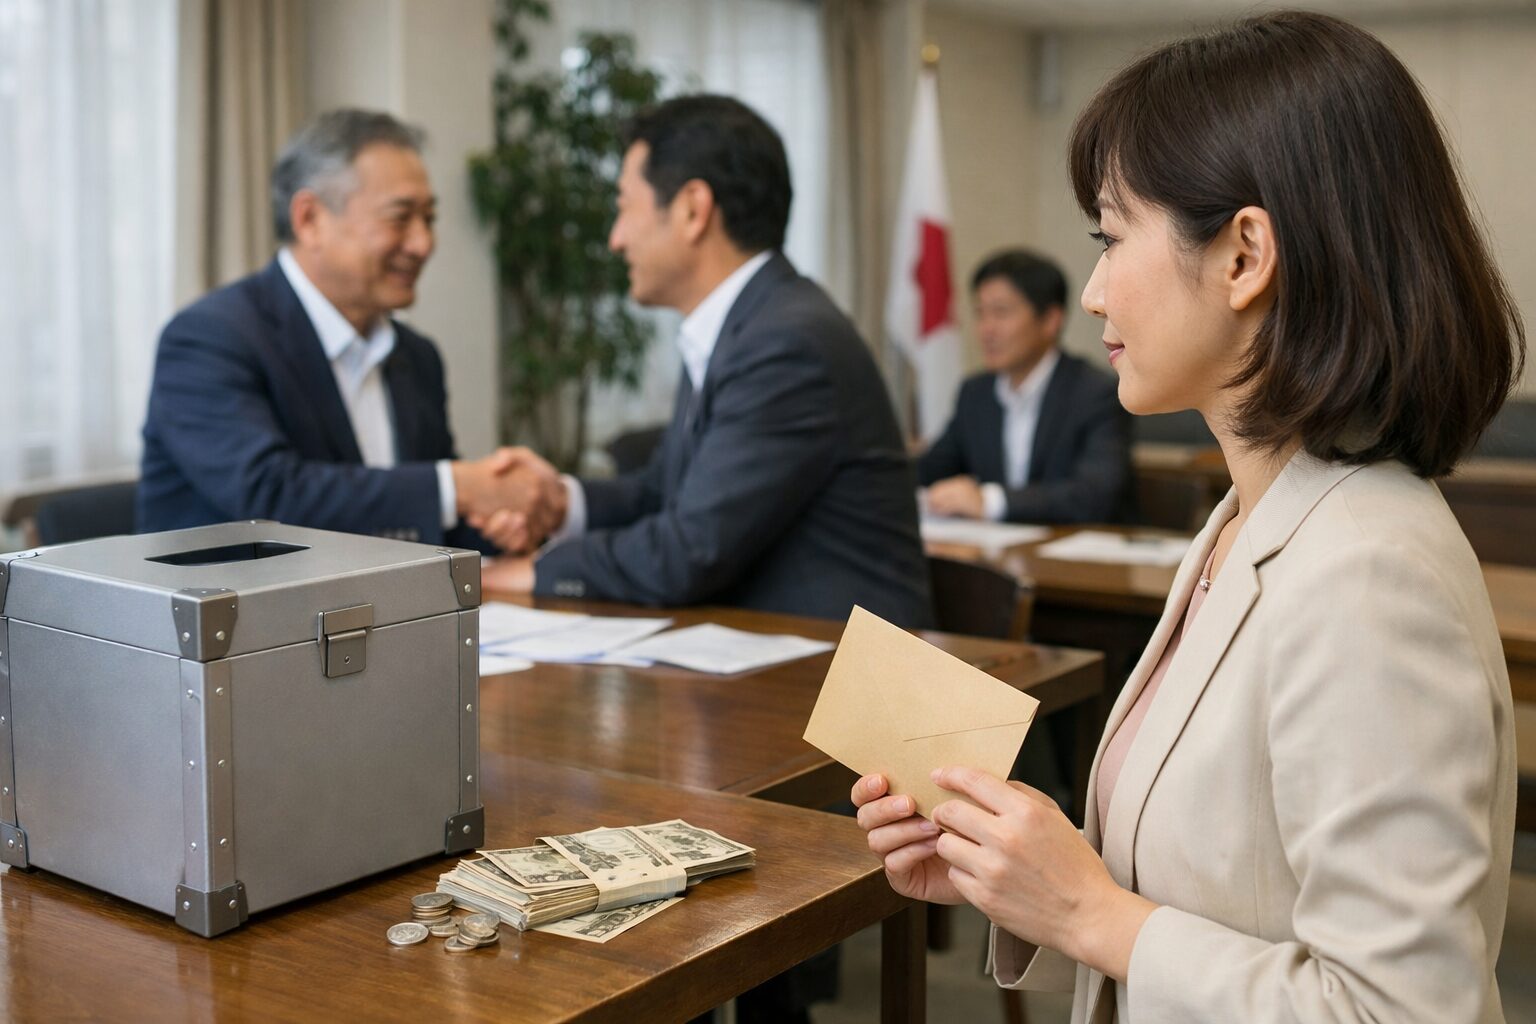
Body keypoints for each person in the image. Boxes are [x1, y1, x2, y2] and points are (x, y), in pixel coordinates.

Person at [854, 11, 1522, 1023]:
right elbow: (1221, 884)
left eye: (1112, 236)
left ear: (1245, 255)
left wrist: (1089, 914)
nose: (1092, 292)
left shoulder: (1367, 574)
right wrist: (1019, 870)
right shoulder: (1246, 521)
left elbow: (1400, 1009)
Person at [479, 95, 933, 630]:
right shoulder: (746, 323)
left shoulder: (786, 341)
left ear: (693, 210)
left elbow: (691, 550)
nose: (615, 239)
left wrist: (538, 570)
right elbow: (664, 493)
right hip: (775, 651)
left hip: (849, 669)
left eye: (625, 207)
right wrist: (562, 502)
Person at [137, 109, 557, 550]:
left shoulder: (417, 356)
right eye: (400, 217)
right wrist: (458, 487)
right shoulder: (208, 338)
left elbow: (425, 516)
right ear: (309, 219)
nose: (423, 244)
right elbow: (269, 496)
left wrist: (501, 518)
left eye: (429, 219)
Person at [918, 249, 1132, 523]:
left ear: (1050, 320)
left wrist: (990, 501)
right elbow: (931, 469)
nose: (986, 329)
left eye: (1001, 312)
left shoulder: (1095, 392)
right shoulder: (975, 393)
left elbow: (1094, 496)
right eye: (980, 313)